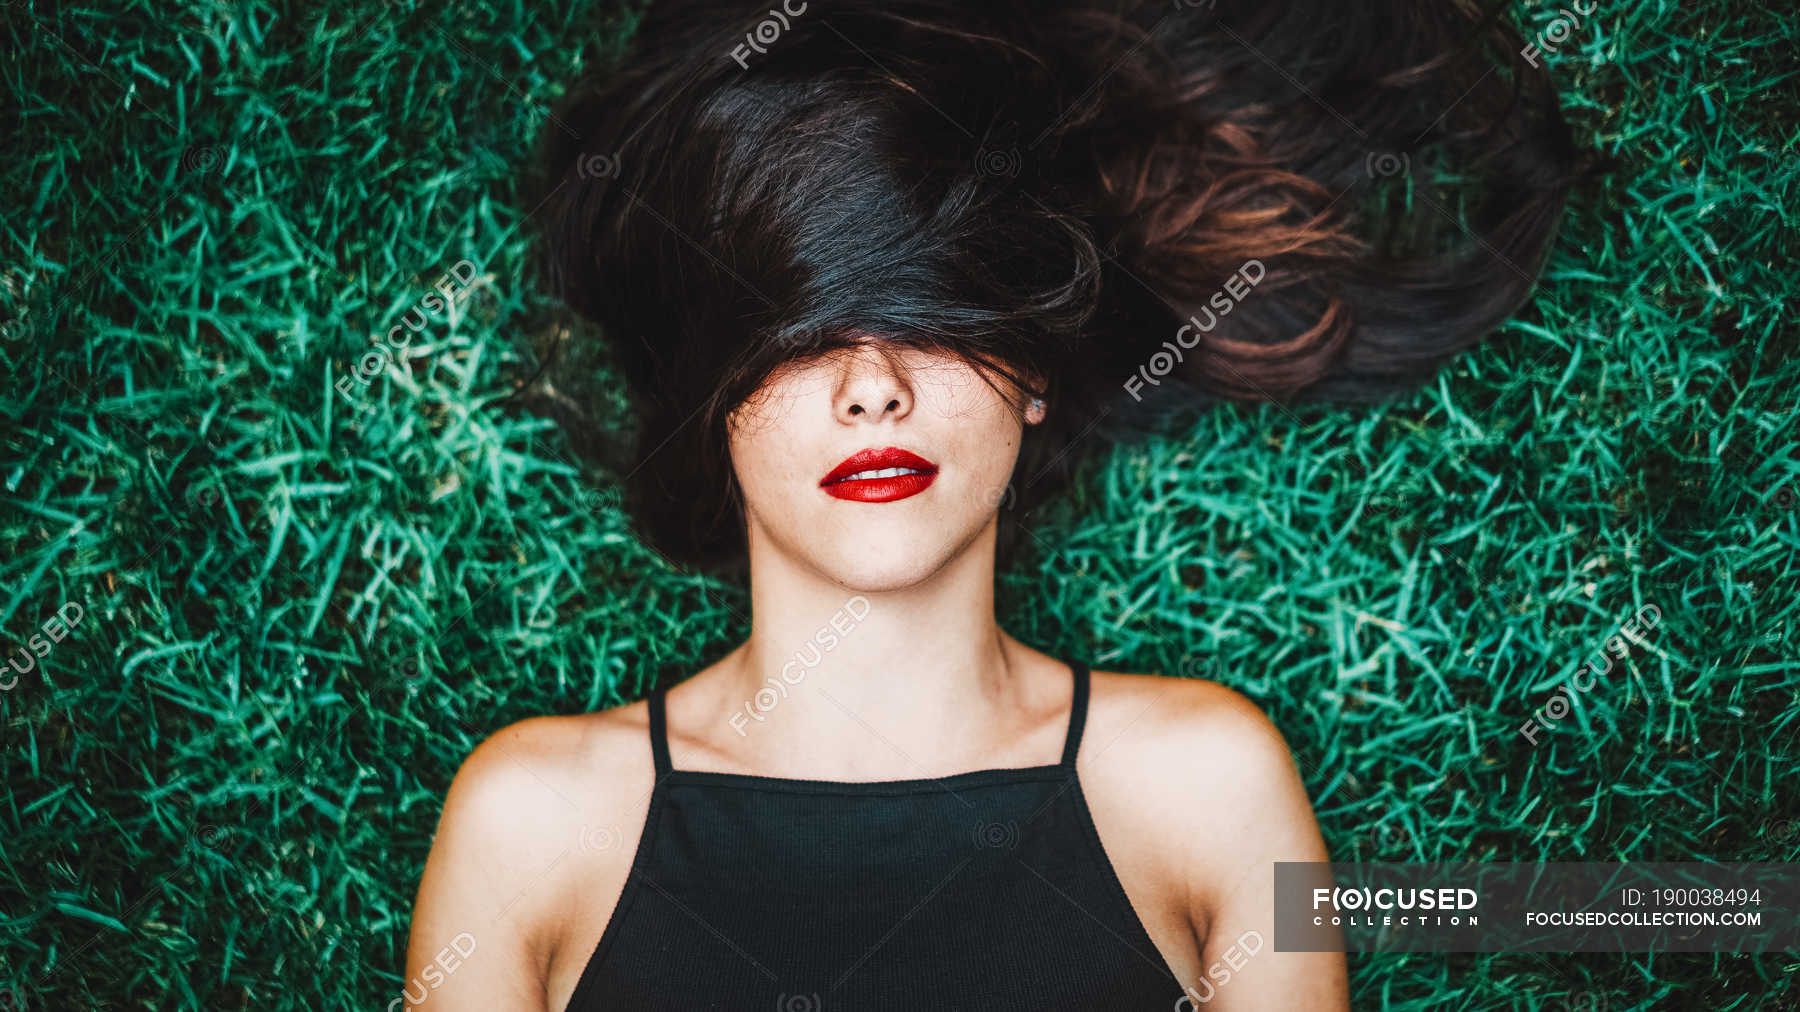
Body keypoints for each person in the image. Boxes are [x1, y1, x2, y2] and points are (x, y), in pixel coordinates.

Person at [405, 0, 1574, 1007]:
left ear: (1030, 376)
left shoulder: (1204, 783)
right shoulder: (532, 823)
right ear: (715, 396)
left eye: (933, 312)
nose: (874, 388)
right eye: (800, 332)